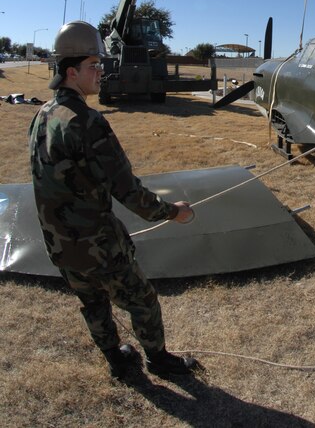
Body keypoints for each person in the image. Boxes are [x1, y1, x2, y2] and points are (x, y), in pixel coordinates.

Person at [29, 20, 199, 380]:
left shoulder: (42, 114)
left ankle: (116, 357)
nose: (101, 72)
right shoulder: (86, 122)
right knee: (143, 301)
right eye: (95, 65)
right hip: (97, 246)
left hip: (59, 244)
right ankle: (159, 360)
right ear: (72, 72)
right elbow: (129, 192)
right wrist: (173, 212)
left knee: (92, 301)